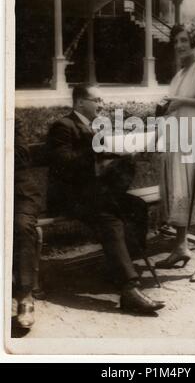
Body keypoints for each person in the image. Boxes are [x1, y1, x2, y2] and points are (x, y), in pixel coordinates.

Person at [47, 84, 164, 314]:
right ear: (80, 102)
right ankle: (128, 289)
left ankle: (120, 269)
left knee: (137, 207)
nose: (102, 104)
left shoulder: (96, 127)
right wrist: (98, 151)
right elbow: (63, 164)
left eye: (101, 100)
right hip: (71, 197)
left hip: (97, 193)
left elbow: (104, 161)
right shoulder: (63, 126)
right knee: (109, 218)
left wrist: (125, 154)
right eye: (97, 100)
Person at [155, 21, 195, 282]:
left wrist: (181, 101)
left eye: (184, 40)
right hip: (179, 141)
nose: (179, 45)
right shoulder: (181, 73)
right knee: (181, 196)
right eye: (176, 41)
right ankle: (181, 248)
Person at [13, 118, 41, 329]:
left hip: (17, 193)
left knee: (22, 227)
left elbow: (20, 156)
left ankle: (25, 298)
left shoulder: (10, 119)